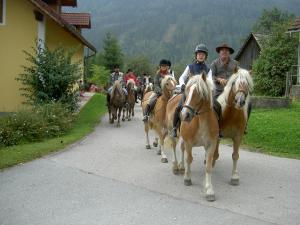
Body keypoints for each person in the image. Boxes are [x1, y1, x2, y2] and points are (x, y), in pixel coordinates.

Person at [210, 43, 251, 135]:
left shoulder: (235, 63)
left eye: (226, 51)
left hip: (233, 90)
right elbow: (211, 75)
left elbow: (240, 74)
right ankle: (215, 125)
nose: (224, 52)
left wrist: (247, 73)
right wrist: (218, 79)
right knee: (213, 104)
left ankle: (244, 125)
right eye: (222, 51)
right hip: (219, 90)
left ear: (229, 53)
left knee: (249, 103)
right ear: (219, 53)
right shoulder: (214, 63)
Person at [170, 44, 210, 138]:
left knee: (216, 106)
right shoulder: (190, 67)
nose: (201, 56)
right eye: (199, 54)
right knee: (179, 107)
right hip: (189, 93)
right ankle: (174, 128)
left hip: (202, 94)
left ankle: (217, 130)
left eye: (203, 54)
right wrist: (183, 85)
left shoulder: (208, 70)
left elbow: (210, 81)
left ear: (205, 56)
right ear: (196, 55)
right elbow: (182, 77)